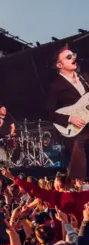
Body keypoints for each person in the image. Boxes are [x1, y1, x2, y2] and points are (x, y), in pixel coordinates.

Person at [46, 44, 89, 179]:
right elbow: (48, 113)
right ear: (59, 65)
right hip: (75, 132)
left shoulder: (85, 78)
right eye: (69, 57)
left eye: (74, 55)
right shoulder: (55, 86)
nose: (73, 58)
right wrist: (69, 118)